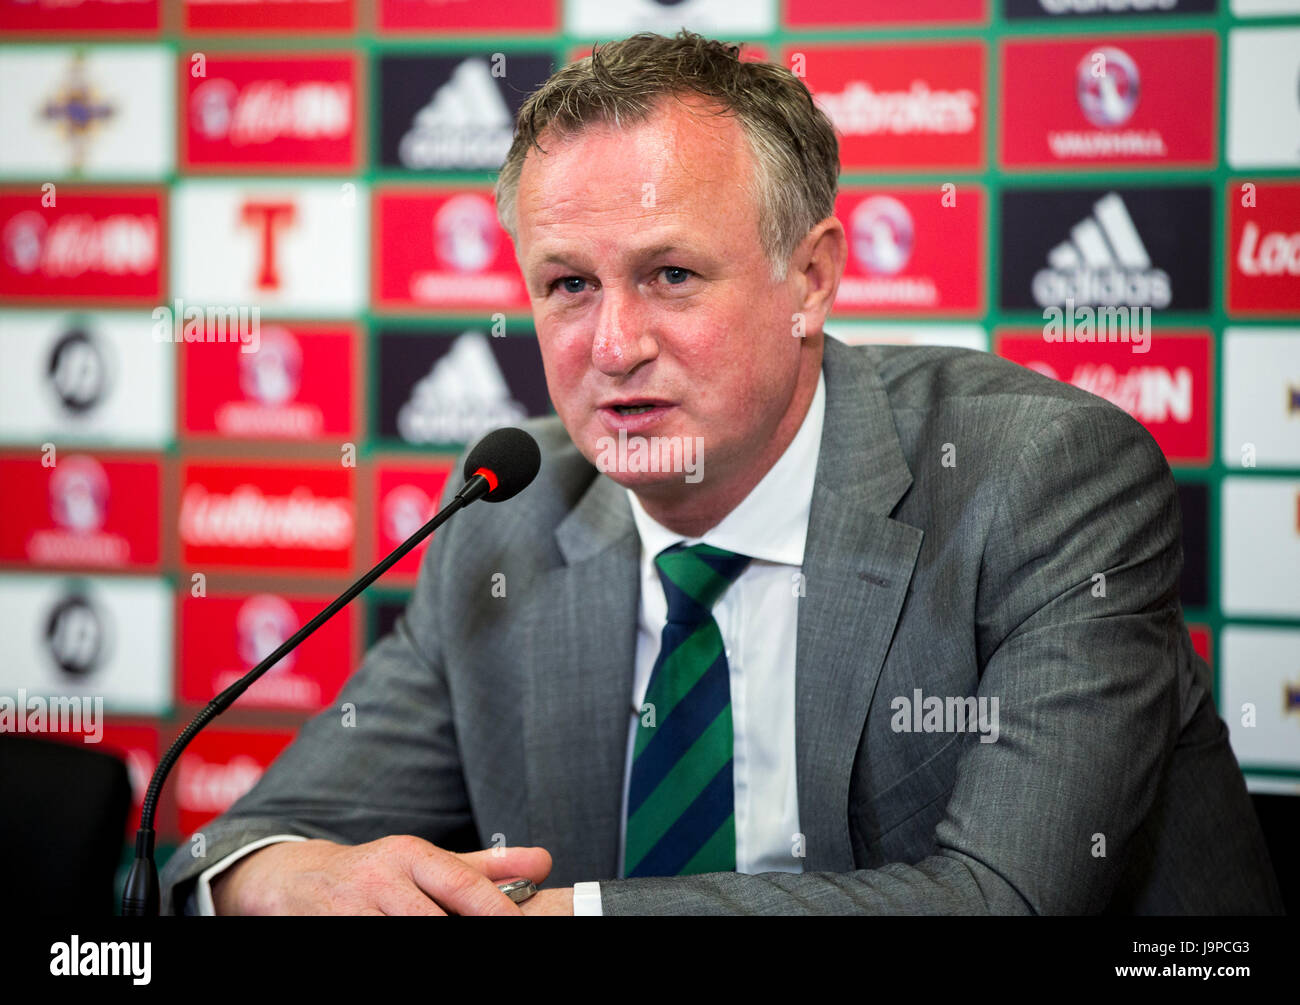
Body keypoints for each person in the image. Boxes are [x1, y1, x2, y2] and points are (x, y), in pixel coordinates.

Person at [159, 31, 1283, 916]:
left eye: (671, 274)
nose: (611, 345)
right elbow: (232, 842)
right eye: (566, 285)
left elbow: (1011, 897)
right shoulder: (506, 518)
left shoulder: (1038, 481)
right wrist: (267, 878)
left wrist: (570, 919)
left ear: (812, 278)